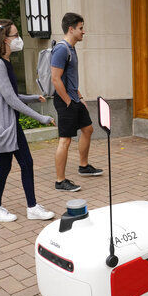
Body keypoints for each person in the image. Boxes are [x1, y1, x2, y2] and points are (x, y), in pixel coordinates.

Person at [0, 19, 55, 222]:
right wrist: (41, 117)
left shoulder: (4, 62)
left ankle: (28, 207)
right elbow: (12, 100)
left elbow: (9, 95)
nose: (19, 39)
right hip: (2, 125)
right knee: (9, 167)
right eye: (15, 36)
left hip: (9, 124)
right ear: (4, 39)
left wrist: (32, 98)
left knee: (23, 164)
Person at [51, 12, 103, 192]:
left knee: (88, 129)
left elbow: (69, 78)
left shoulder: (71, 49)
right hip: (65, 100)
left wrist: (79, 98)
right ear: (71, 29)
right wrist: (67, 101)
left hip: (73, 98)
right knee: (65, 140)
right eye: (81, 28)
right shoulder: (61, 49)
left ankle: (83, 166)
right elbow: (55, 79)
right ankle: (60, 181)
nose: (83, 32)